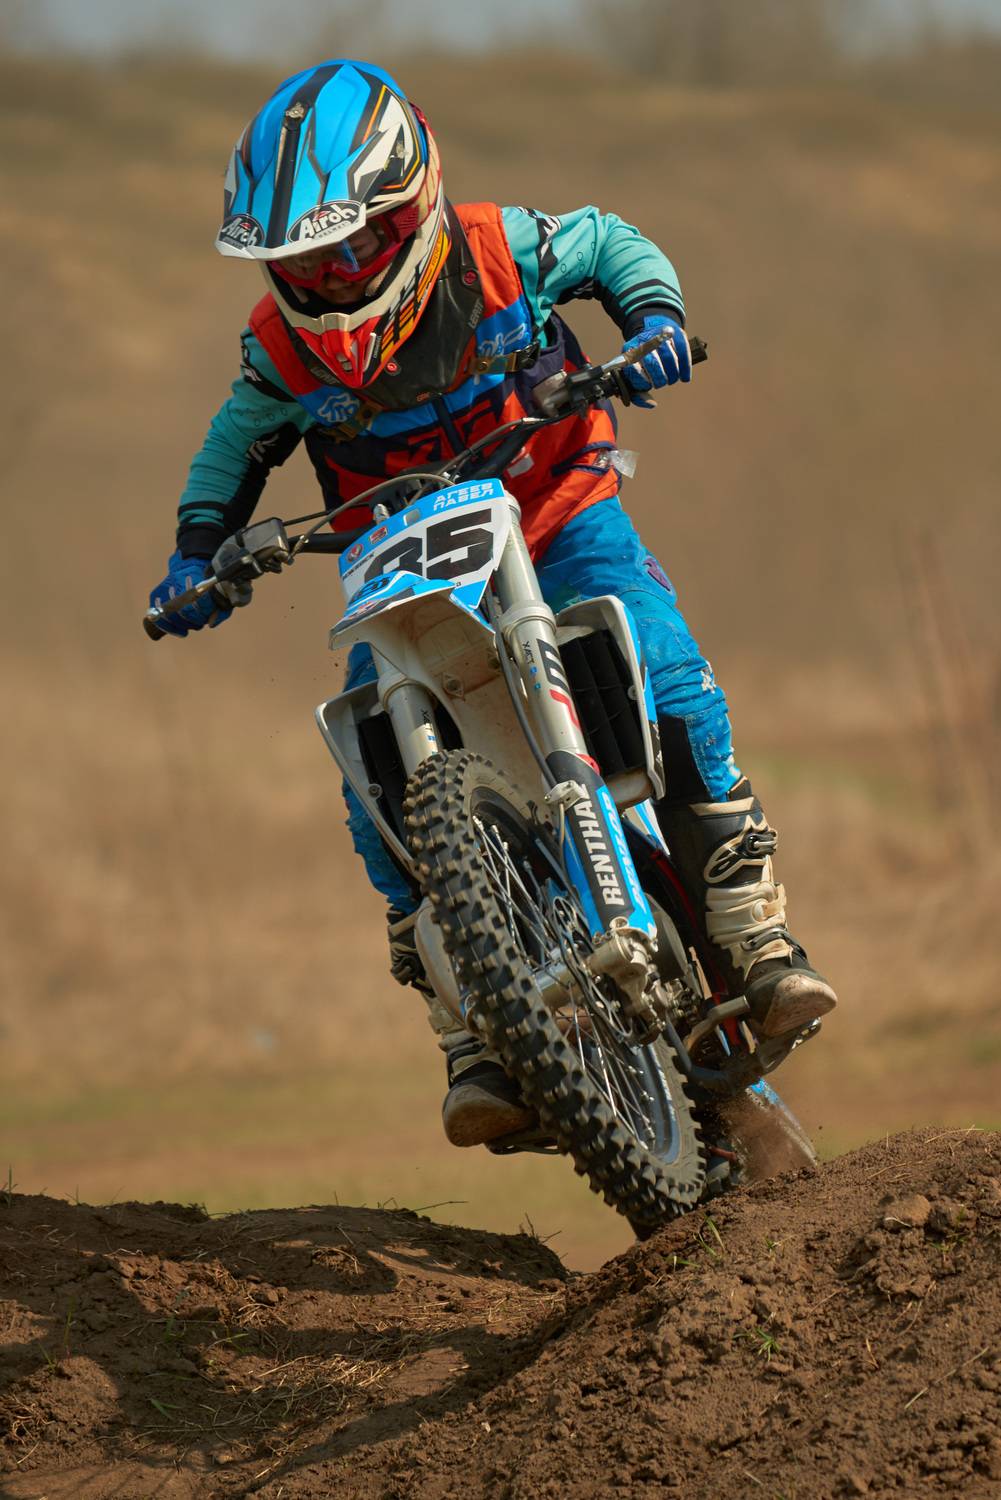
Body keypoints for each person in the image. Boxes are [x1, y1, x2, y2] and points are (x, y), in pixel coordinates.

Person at [151, 59, 836, 1147]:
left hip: (557, 516)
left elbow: (609, 242)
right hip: (402, 568)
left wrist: (652, 321)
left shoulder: (494, 249)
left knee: (665, 673)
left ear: (409, 208)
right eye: (305, 263)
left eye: (350, 250)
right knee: (373, 776)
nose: (331, 279)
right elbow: (233, 446)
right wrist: (197, 554)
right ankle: (470, 1027)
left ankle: (754, 937)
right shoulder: (280, 352)